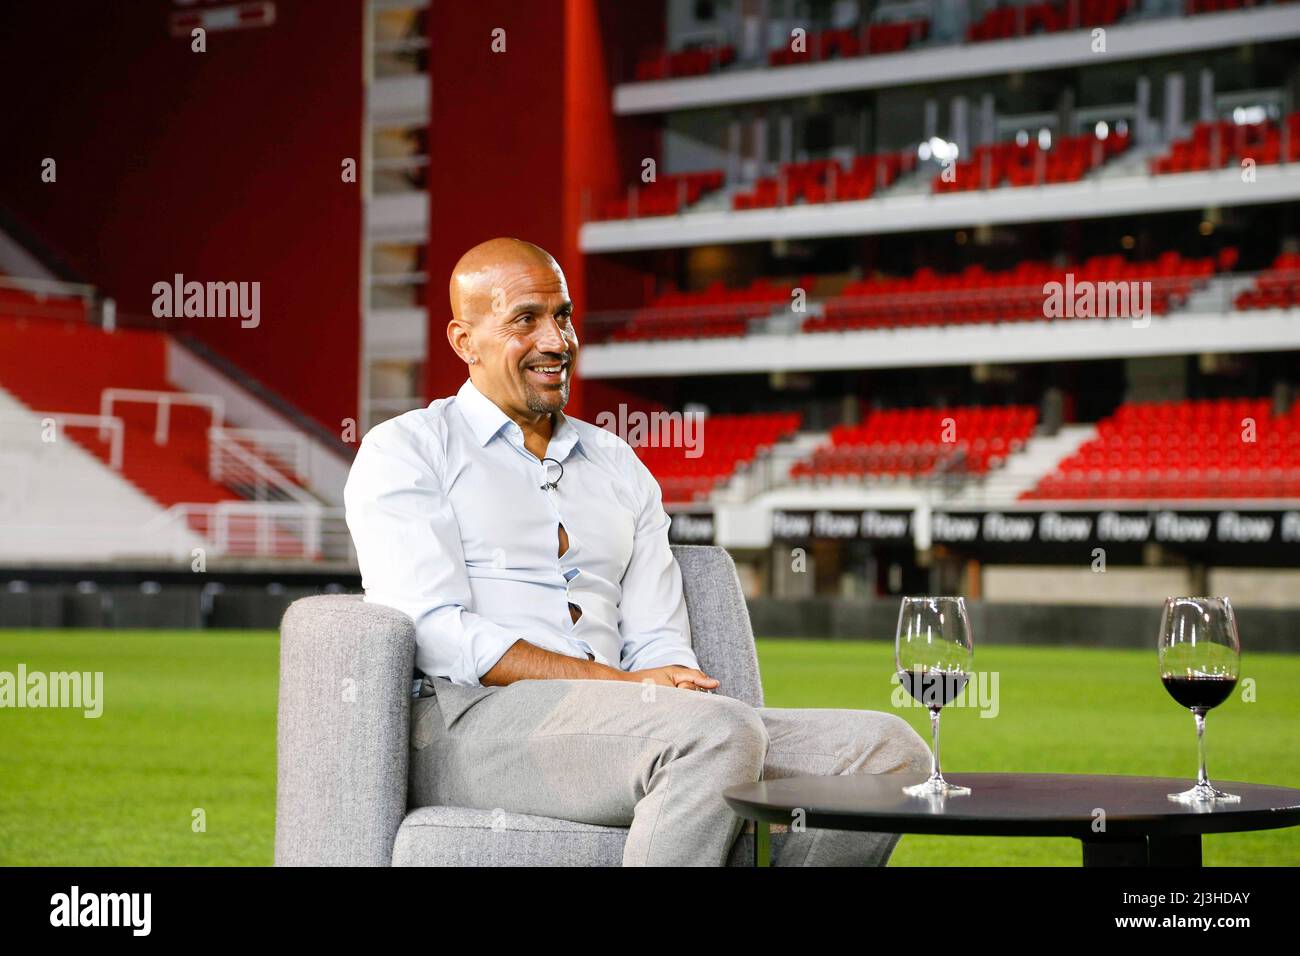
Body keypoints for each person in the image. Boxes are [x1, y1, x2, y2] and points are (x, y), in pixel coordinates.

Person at [343, 237, 931, 865]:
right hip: (470, 722)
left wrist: (666, 683)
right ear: (465, 342)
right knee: (714, 735)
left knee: (888, 751)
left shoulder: (618, 462)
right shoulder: (406, 450)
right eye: (525, 320)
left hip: (622, 718)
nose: (556, 340)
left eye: (562, 315)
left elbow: (657, 633)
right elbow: (436, 632)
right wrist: (622, 686)